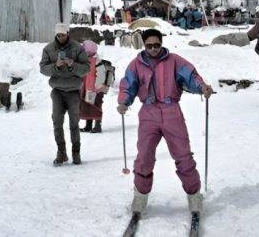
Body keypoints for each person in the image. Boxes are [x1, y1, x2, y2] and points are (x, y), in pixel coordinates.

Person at [118, 28, 214, 218]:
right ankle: (140, 196)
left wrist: (202, 86)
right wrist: (123, 102)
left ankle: (194, 195)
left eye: (157, 45)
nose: (153, 49)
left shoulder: (175, 61)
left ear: (161, 44)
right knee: (144, 156)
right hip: (148, 112)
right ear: (143, 45)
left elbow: (191, 76)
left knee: (183, 155)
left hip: (172, 112)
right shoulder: (136, 65)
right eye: (149, 45)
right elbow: (128, 84)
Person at [39, 23, 90, 165]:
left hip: (73, 90)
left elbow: (86, 68)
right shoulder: (49, 49)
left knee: (74, 124)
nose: (61, 37)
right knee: (57, 122)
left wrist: (73, 65)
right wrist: (55, 66)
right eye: (58, 35)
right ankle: (61, 153)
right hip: (57, 91)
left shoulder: (78, 48)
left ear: (67, 33)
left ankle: (76, 153)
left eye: (63, 34)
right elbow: (43, 69)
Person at [79, 40, 110, 133]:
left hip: (96, 90)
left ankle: (97, 126)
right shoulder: (85, 61)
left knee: (96, 106)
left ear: (89, 51)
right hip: (87, 88)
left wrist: (98, 87)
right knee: (88, 106)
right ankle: (88, 126)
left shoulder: (97, 61)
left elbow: (101, 75)